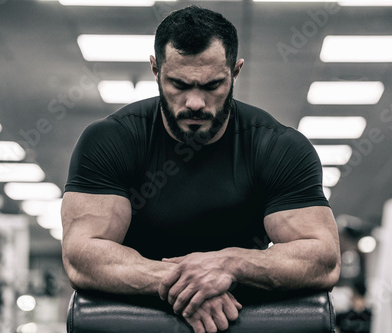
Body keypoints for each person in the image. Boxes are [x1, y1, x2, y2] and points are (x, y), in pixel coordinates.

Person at [62, 5, 341, 333]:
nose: (195, 102)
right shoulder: (111, 141)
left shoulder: (277, 147)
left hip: (235, 317)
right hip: (136, 318)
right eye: (179, 84)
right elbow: (82, 256)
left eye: (211, 86)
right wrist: (188, 285)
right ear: (155, 70)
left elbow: (323, 259)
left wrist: (229, 264)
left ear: (235, 73)